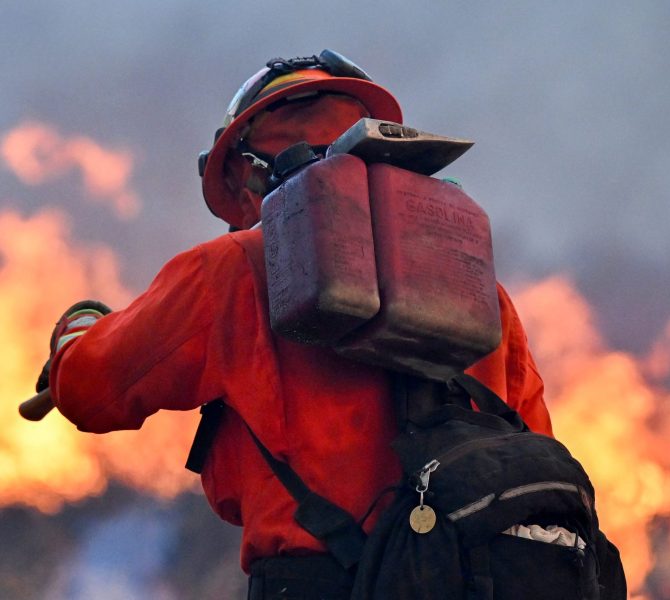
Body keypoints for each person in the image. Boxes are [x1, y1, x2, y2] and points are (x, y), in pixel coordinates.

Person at [42, 51, 553, 597]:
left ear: (248, 174)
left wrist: (80, 328)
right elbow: (536, 450)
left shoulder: (237, 267)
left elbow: (92, 391)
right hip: (475, 582)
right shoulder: (481, 289)